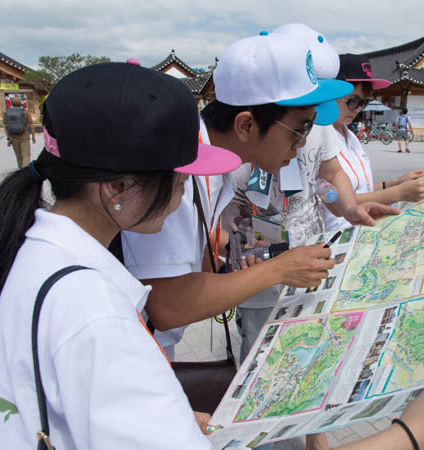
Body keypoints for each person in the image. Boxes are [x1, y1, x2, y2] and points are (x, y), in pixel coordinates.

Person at [0, 61, 242, 450]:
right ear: (119, 189)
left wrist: (170, 423)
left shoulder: (37, 254)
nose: (181, 197)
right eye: (180, 182)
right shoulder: (96, 313)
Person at [120, 31, 392, 362]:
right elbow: (168, 305)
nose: (304, 144)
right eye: (300, 129)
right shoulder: (180, 172)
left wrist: (230, 261)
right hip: (135, 356)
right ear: (246, 126)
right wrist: (278, 269)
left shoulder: (211, 163)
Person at [324, 52, 424, 232]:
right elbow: (339, 200)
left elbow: (359, 187)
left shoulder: (350, 136)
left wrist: (395, 182)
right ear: (331, 92)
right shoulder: (320, 139)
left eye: (363, 102)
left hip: (360, 231)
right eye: (352, 101)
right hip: (336, 235)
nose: (358, 108)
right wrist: (399, 193)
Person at [3, 95, 36, 168]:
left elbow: (5, 127)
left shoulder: (6, 113)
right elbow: (31, 125)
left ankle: (20, 171)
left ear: (11, 103)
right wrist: (33, 137)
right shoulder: (25, 112)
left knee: (19, 157)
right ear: (20, 103)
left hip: (13, 138)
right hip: (24, 137)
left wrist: (9, 138)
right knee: (26, 156)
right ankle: (24, 172)